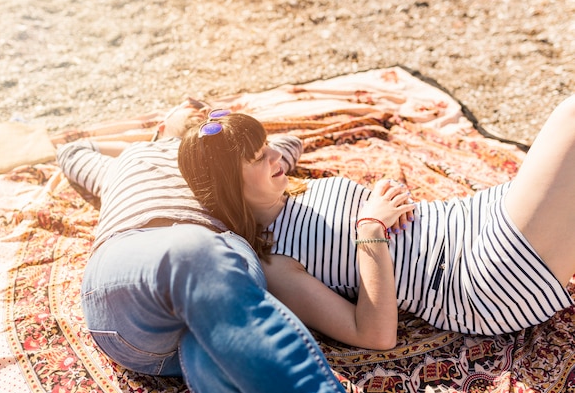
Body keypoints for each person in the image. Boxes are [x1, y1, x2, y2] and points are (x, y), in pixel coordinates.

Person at [177, 95, 575, 350]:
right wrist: (370, 229)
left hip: (471, 220)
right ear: (230, 182)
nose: (275, 159)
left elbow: (287, 148)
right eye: (258, 158)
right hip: (473, 278)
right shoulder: (274, 262)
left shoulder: (291, 188)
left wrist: (382, 196)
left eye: (268, 149)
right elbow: (374, 336)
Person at [56, 98, 346, 393]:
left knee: (212, 357)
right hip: (136, 281)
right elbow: (71, 151)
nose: (198, 103)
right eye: (186, 104)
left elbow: (287, 143)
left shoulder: (233, 154)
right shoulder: (131, 158)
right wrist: (148, 141)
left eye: (206, 104)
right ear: (160, 126)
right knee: (192, 250)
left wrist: (230, 134)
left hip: (216, 292)